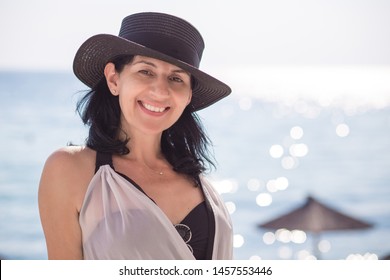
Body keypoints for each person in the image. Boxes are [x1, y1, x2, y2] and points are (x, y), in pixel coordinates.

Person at [38, 12, 233, 260]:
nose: (161, 91)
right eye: (146, 72)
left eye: (176, 78)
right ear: (114, 79)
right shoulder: (69, 170)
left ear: (188, 97)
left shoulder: (202, 185)